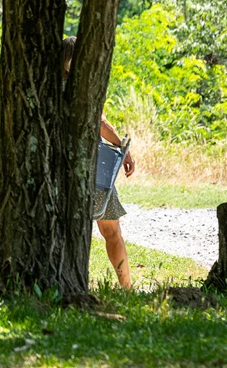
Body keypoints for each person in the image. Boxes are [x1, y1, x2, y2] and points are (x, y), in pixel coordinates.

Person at [63, 36, 136, 289]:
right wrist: (123, 149)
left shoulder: (49, 89)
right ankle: (126, 286)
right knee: (111, 232)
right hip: (92, 169)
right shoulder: (84, 87)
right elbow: (101, 124)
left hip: (59, 166)